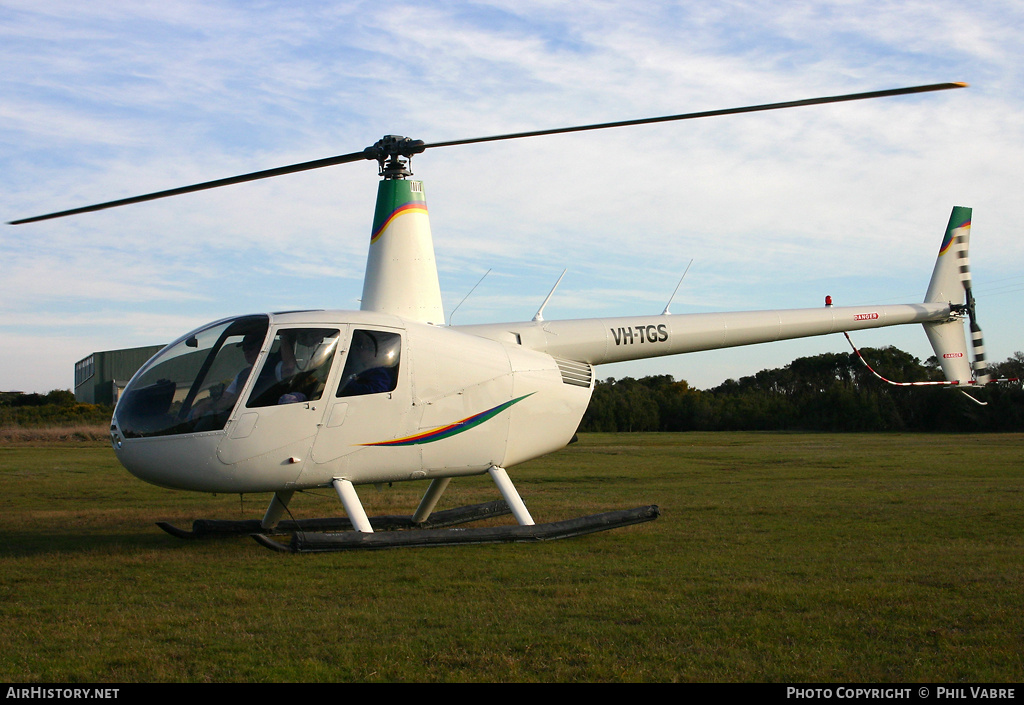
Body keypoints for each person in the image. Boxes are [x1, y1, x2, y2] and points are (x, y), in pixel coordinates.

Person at [337, 331, 395, 397]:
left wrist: (349, 383)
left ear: (373, 353)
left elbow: (376, 391)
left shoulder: (381, 372)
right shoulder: (361, 368)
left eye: (363, 348)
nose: (360, 352)